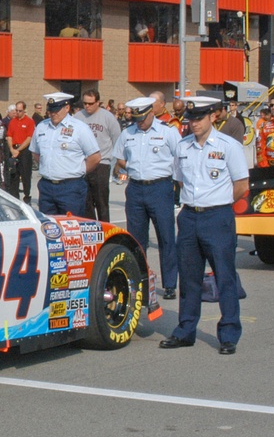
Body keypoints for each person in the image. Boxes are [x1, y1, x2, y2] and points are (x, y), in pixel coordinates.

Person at [159, 97, 249, 355]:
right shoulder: (183, 146)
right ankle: (185, 330)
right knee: (188, 278)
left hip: (217, 217)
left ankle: (229, 333)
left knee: (225, 276)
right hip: (189, 217)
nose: (194, 124)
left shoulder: (228, 146)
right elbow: (179, 180)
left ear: (212, 117)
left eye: (199, 118)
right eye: (191, 119)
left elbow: (241, 185)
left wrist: (217, 203)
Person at [112, 97, 182, 299]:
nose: (139, 122)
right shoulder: (128, 133)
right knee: (136, 239)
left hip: (160, 187)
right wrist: (133, 167)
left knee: (166, 237)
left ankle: (169, 284)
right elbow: (120, 157)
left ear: (152, 113)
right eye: (136, 118)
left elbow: (179, 158)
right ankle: (138, 281)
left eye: (142, 118)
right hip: (136, 188)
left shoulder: (167, 132)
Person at [30, 92, 101, 216]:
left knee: (72, 228)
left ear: (67, 108)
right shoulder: (42, 127)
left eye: (56, 110)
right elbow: (36, 153)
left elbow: (95, 157)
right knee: (49, 228)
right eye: (50, 110)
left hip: (71, 187)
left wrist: (78, 170)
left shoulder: (79, 128)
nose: (53, 113)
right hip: (47, 186)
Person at [74, 89, 121, 222]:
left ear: (98, 102)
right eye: (85, 103)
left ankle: (105, 229)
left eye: (90, 103)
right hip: (83, 164)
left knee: (101, 201)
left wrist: (116, 163)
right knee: (86, 202)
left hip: (102, 164)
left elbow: (117, 139)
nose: (87, 106)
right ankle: (91, 229)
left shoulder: (108, 117)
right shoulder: (78, 117)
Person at [6, 101, 36, 202]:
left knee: (25, 175)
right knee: (13, 175)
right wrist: (12, 149)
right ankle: (14, 198)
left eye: (20, 111)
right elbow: (9, 136)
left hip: (24, 151)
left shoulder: (29, 122)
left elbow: (29, 138)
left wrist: (18, 150)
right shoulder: (12, 122)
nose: (18, 113)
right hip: (14, 149)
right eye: (16, 111)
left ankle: (27, 196)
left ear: (24, 110)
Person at [256, 94, 274, 167]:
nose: (273, 107)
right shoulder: (265, 126)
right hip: (269, 169)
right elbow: (260, 149)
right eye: (271, 105)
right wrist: (265, 167)